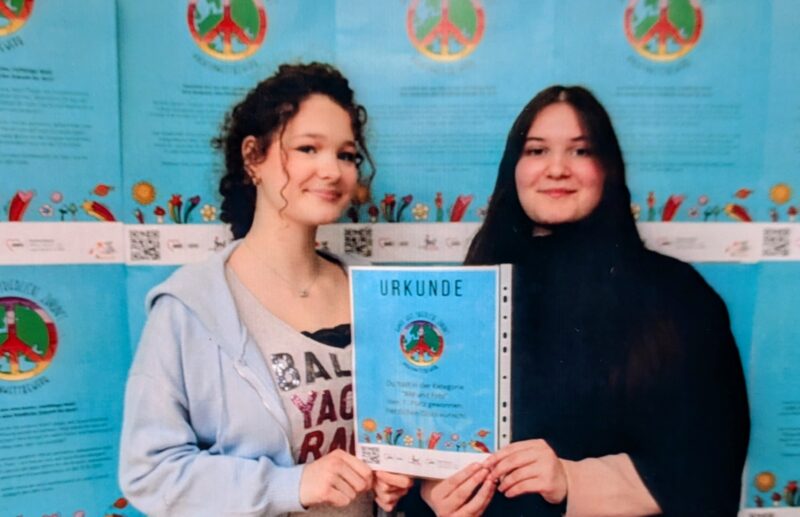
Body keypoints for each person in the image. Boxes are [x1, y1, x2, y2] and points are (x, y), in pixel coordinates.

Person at [413, 86, 750, 516]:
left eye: (580, 151)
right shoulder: (469, 290)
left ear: (607, 167)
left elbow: (709, 462)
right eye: (537, 151)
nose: (557, 169)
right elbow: (426, 431)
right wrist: (427, 489)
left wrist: (572, 480)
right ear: (513, 167)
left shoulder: (677, 295)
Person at [118, 62, 411, 516]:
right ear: (253, 157)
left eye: (346, 155)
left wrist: (402, 476)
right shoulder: (191, 306)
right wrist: (290, 485)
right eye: (308, 148)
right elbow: (149, 472)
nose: (332, 170)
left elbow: (408, 427)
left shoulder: (379, 294)